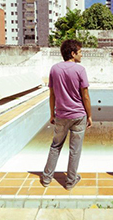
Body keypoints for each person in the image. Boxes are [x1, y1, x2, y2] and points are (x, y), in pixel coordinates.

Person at [41, 39, 92, 190]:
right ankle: (70, 182)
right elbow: (86, 96)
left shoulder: (54, 69)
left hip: (61, 115)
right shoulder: (80, 70)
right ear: (72, 53)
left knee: (55, 146)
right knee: (74, 150)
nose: (81, 55)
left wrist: (52, 114)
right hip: (78, 116)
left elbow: (52, 95)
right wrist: (89, 115)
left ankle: (46, 178)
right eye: (80, 52)